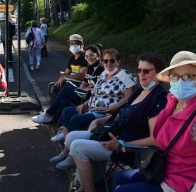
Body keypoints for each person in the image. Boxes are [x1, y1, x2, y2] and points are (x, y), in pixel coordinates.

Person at [113, 51, 196, 192]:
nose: (180, 81)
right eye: (174, 76)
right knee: (119, 177)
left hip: (185, 183)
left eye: (188, 76)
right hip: (165, 171)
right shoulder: (172, 105)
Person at [67, 53, 168, 192]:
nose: (141, 74)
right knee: (72, 136)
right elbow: (121, 114)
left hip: (127, 148)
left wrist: (121, 145)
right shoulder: (140, 90)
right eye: (139, 70)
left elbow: (154, 139)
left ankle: (90, 189)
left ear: (158, 73)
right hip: (114, 133)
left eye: (146, 71)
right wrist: (99, 120)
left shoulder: (158, 98)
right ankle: (88, 182)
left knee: (78, 146)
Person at [51, 48, 136, 168]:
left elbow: (129, 98)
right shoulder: (104, 74)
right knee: (66, 111)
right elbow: (96, 92)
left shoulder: (125, 76)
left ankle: (72, 155)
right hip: (92, 107)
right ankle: (66, 151)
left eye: (112, 61)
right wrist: (84, 104)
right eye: (105, 61)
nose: (108, 64)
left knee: (76, 119)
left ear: (118, 62)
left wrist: (113, 107)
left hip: (106, 113)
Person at [33, 43, 104, 125]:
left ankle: (48, 114)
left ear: (98, 55)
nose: (89, 58)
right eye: (87, 56)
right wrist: (81, 89)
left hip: (90, 98)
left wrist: (89, 89)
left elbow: (100, 88)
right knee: (64, 101)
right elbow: (84, 82)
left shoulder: (101, 70)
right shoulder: (90, 67)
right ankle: (63, 126)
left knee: (65, 89)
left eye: (91, 55)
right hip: (83, 94)